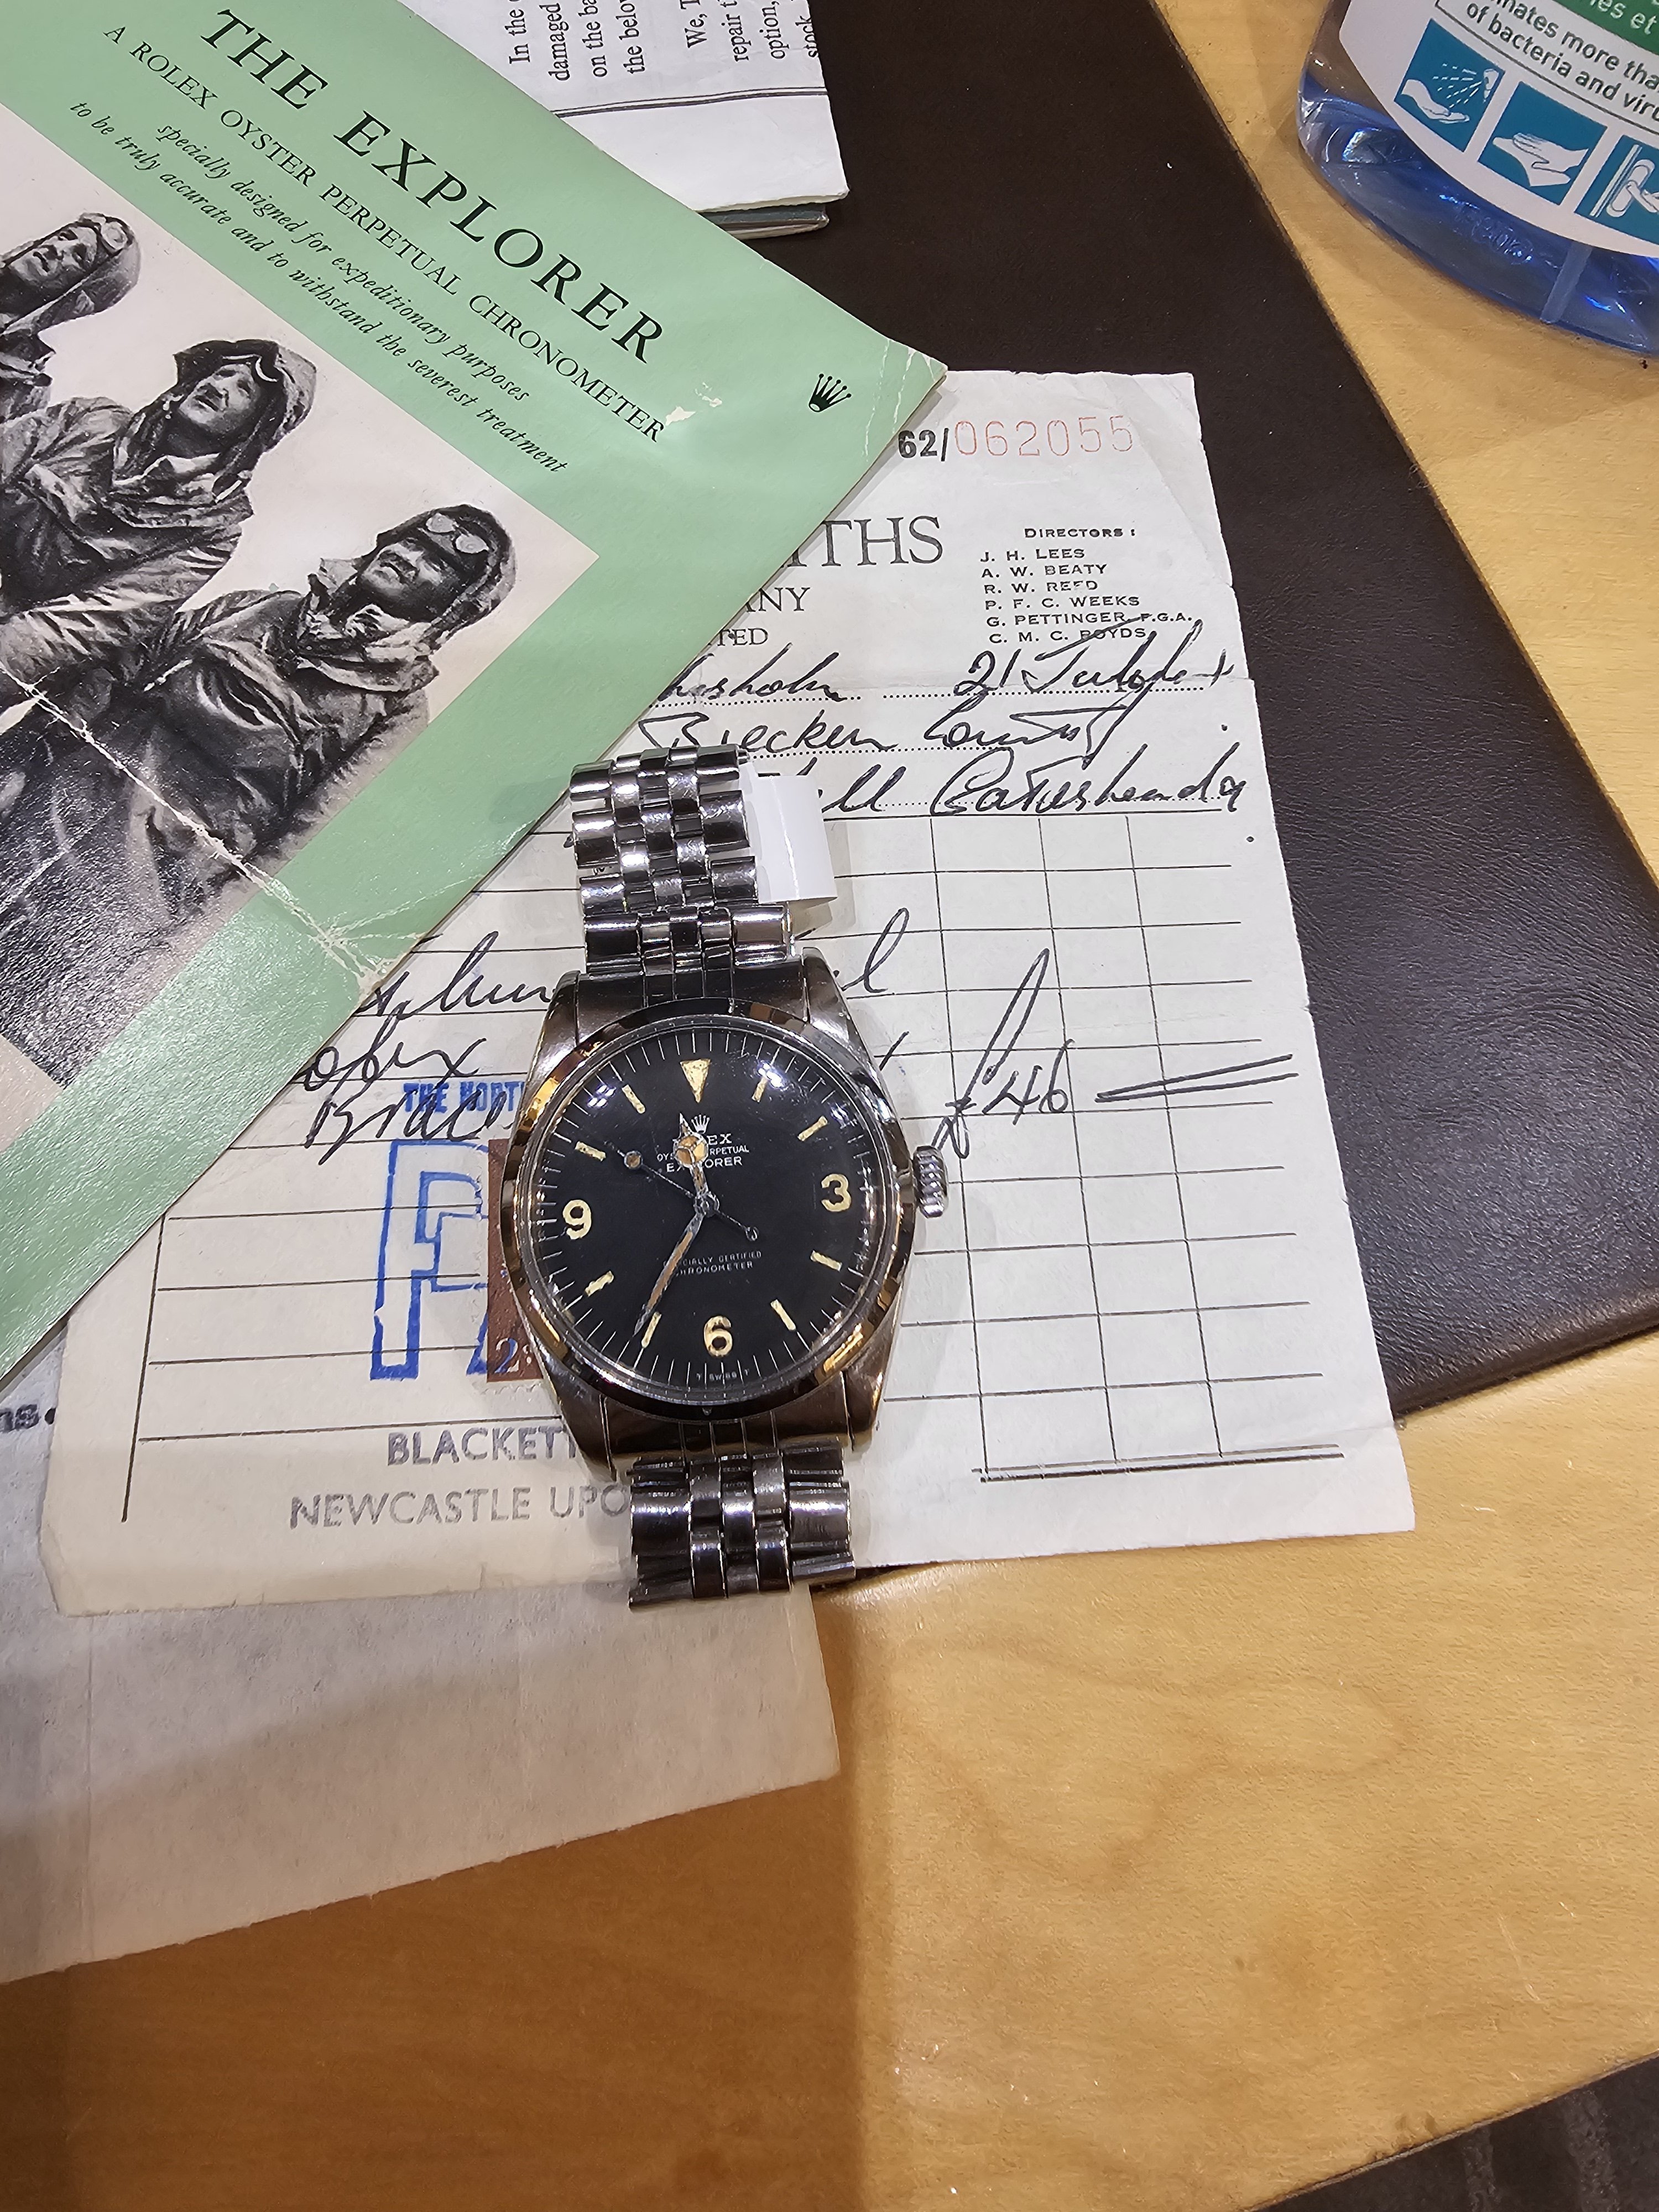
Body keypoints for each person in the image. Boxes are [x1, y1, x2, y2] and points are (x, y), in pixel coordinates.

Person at [0, 506, 516, 1086]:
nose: (409, 557)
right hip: (44, 817)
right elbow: (117, 673)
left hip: (141, 897)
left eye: (437, 565)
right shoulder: (256, 607)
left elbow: (300, 851)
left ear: (450, 607)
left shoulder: (396, 713)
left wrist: (183, 953)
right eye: (413, 541)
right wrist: (22, 760)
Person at [0, 337, 316, 709]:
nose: (218, 386)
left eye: (243, 389)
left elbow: (89, 623)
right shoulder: (89, 418)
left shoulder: (212, 532)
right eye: (221, 373)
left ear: (257, 428)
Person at [0, 213, 141, 424]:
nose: (57, 248)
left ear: (78, 293)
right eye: (64, 237)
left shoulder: (23, 387)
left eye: (79, 256)